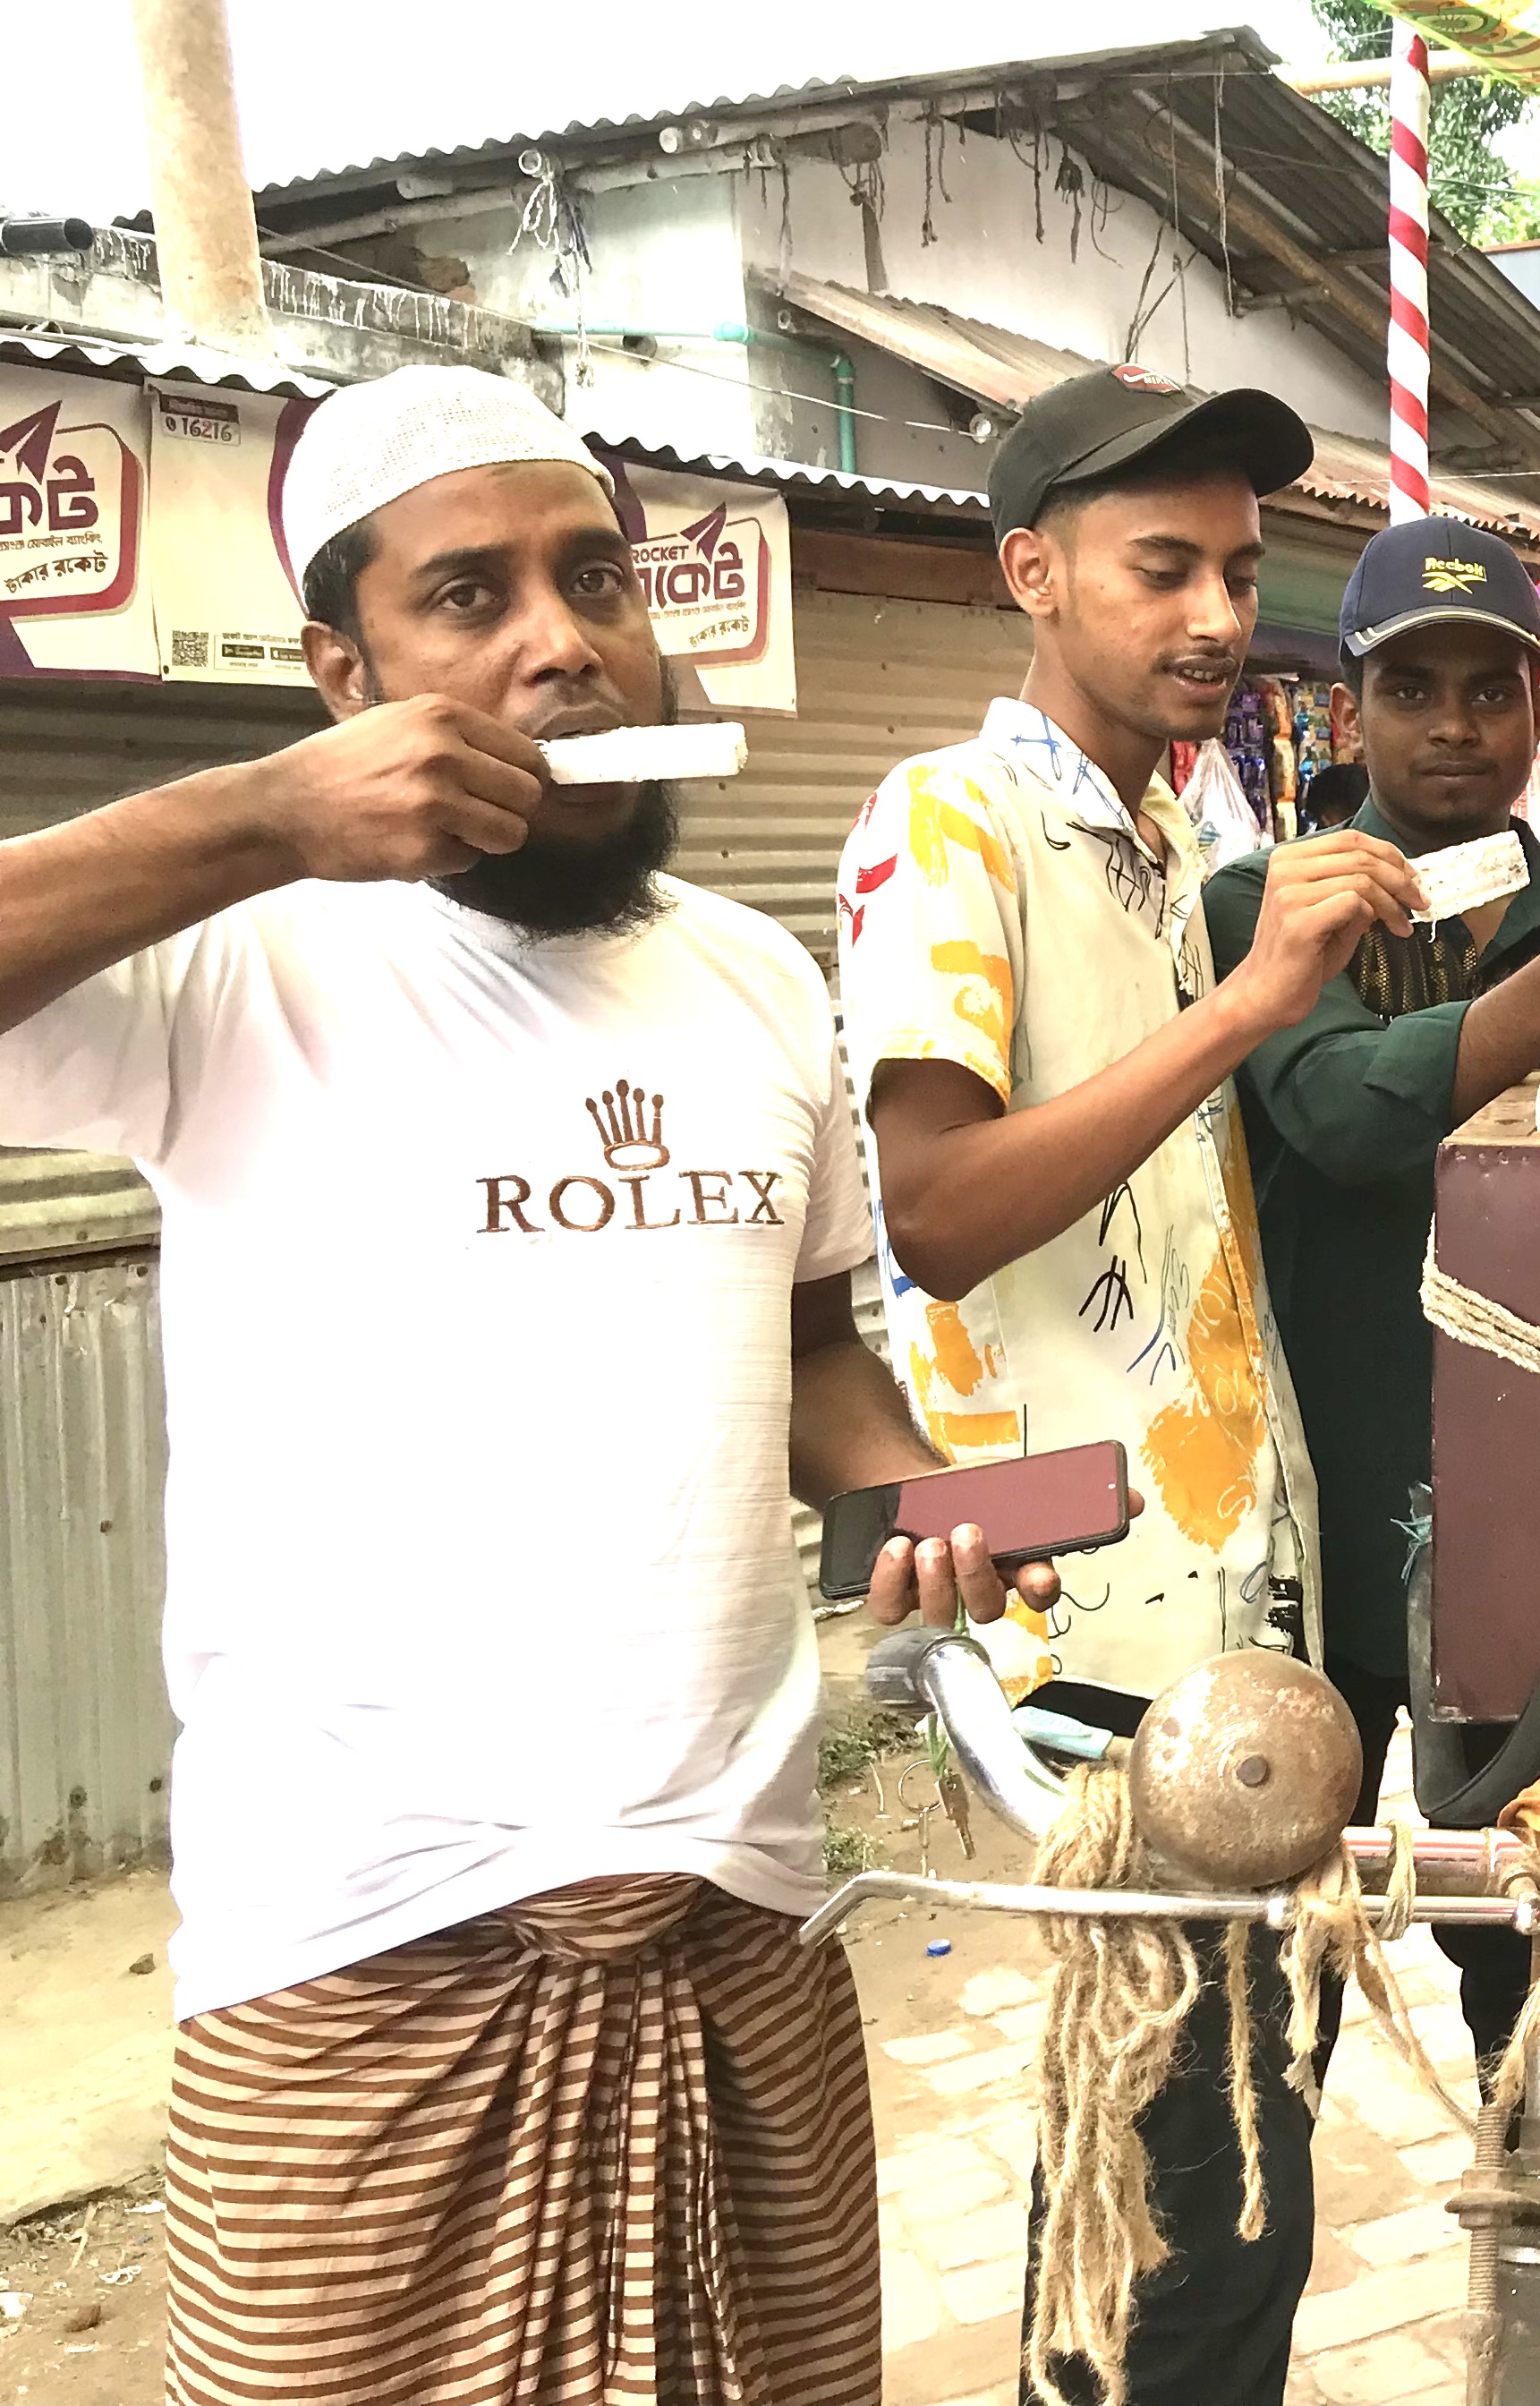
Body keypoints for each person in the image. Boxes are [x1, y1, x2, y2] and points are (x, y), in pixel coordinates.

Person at [0, 364, 1045, 2406]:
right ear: (346, 671)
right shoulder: (234, 968)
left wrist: (931, 1496)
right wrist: (257, 819)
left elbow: (814, 1360)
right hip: (359, 1968)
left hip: (742, 1926)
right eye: (468, 598)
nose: (564, 637)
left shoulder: (751, 980)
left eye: (597, 581)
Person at [833, 365, 1422, 2406]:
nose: (1215, 613)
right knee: (1168, 2189)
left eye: (1243, 571)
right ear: (1031, 573)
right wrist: (1261, 999)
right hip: (1098, 1625)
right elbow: (928, 1208)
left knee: (1235, 2168)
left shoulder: (1184, 830)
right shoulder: (951, 822)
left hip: (1246, 1600)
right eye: (1159, 566)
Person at [1202, 515, 1540, 2073]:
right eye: (1411, 686)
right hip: (1317, 1518)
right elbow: (1347, 1119)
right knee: (1265, 1946)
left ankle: (1539, 2240)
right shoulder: (1264, 911)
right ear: (1348, 707)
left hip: (1537, 1516)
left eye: (1488, 688)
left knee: (1530, 1927)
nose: (1451, 725)